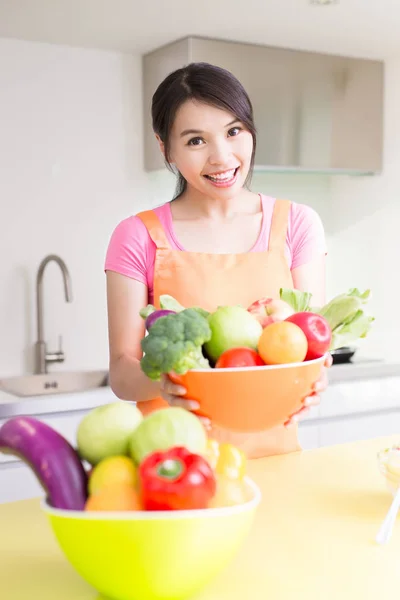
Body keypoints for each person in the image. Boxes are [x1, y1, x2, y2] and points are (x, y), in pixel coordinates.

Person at [104, 62, 331, 459]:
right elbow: (123, 375)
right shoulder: (136, 235)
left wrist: (312, 381)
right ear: (165, 148)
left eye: (233, 131)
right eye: (196, 141)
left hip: (274, 457)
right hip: (175, 463)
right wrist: (164, 381)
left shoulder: (298, 224)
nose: (222, 157)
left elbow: (312, 348)